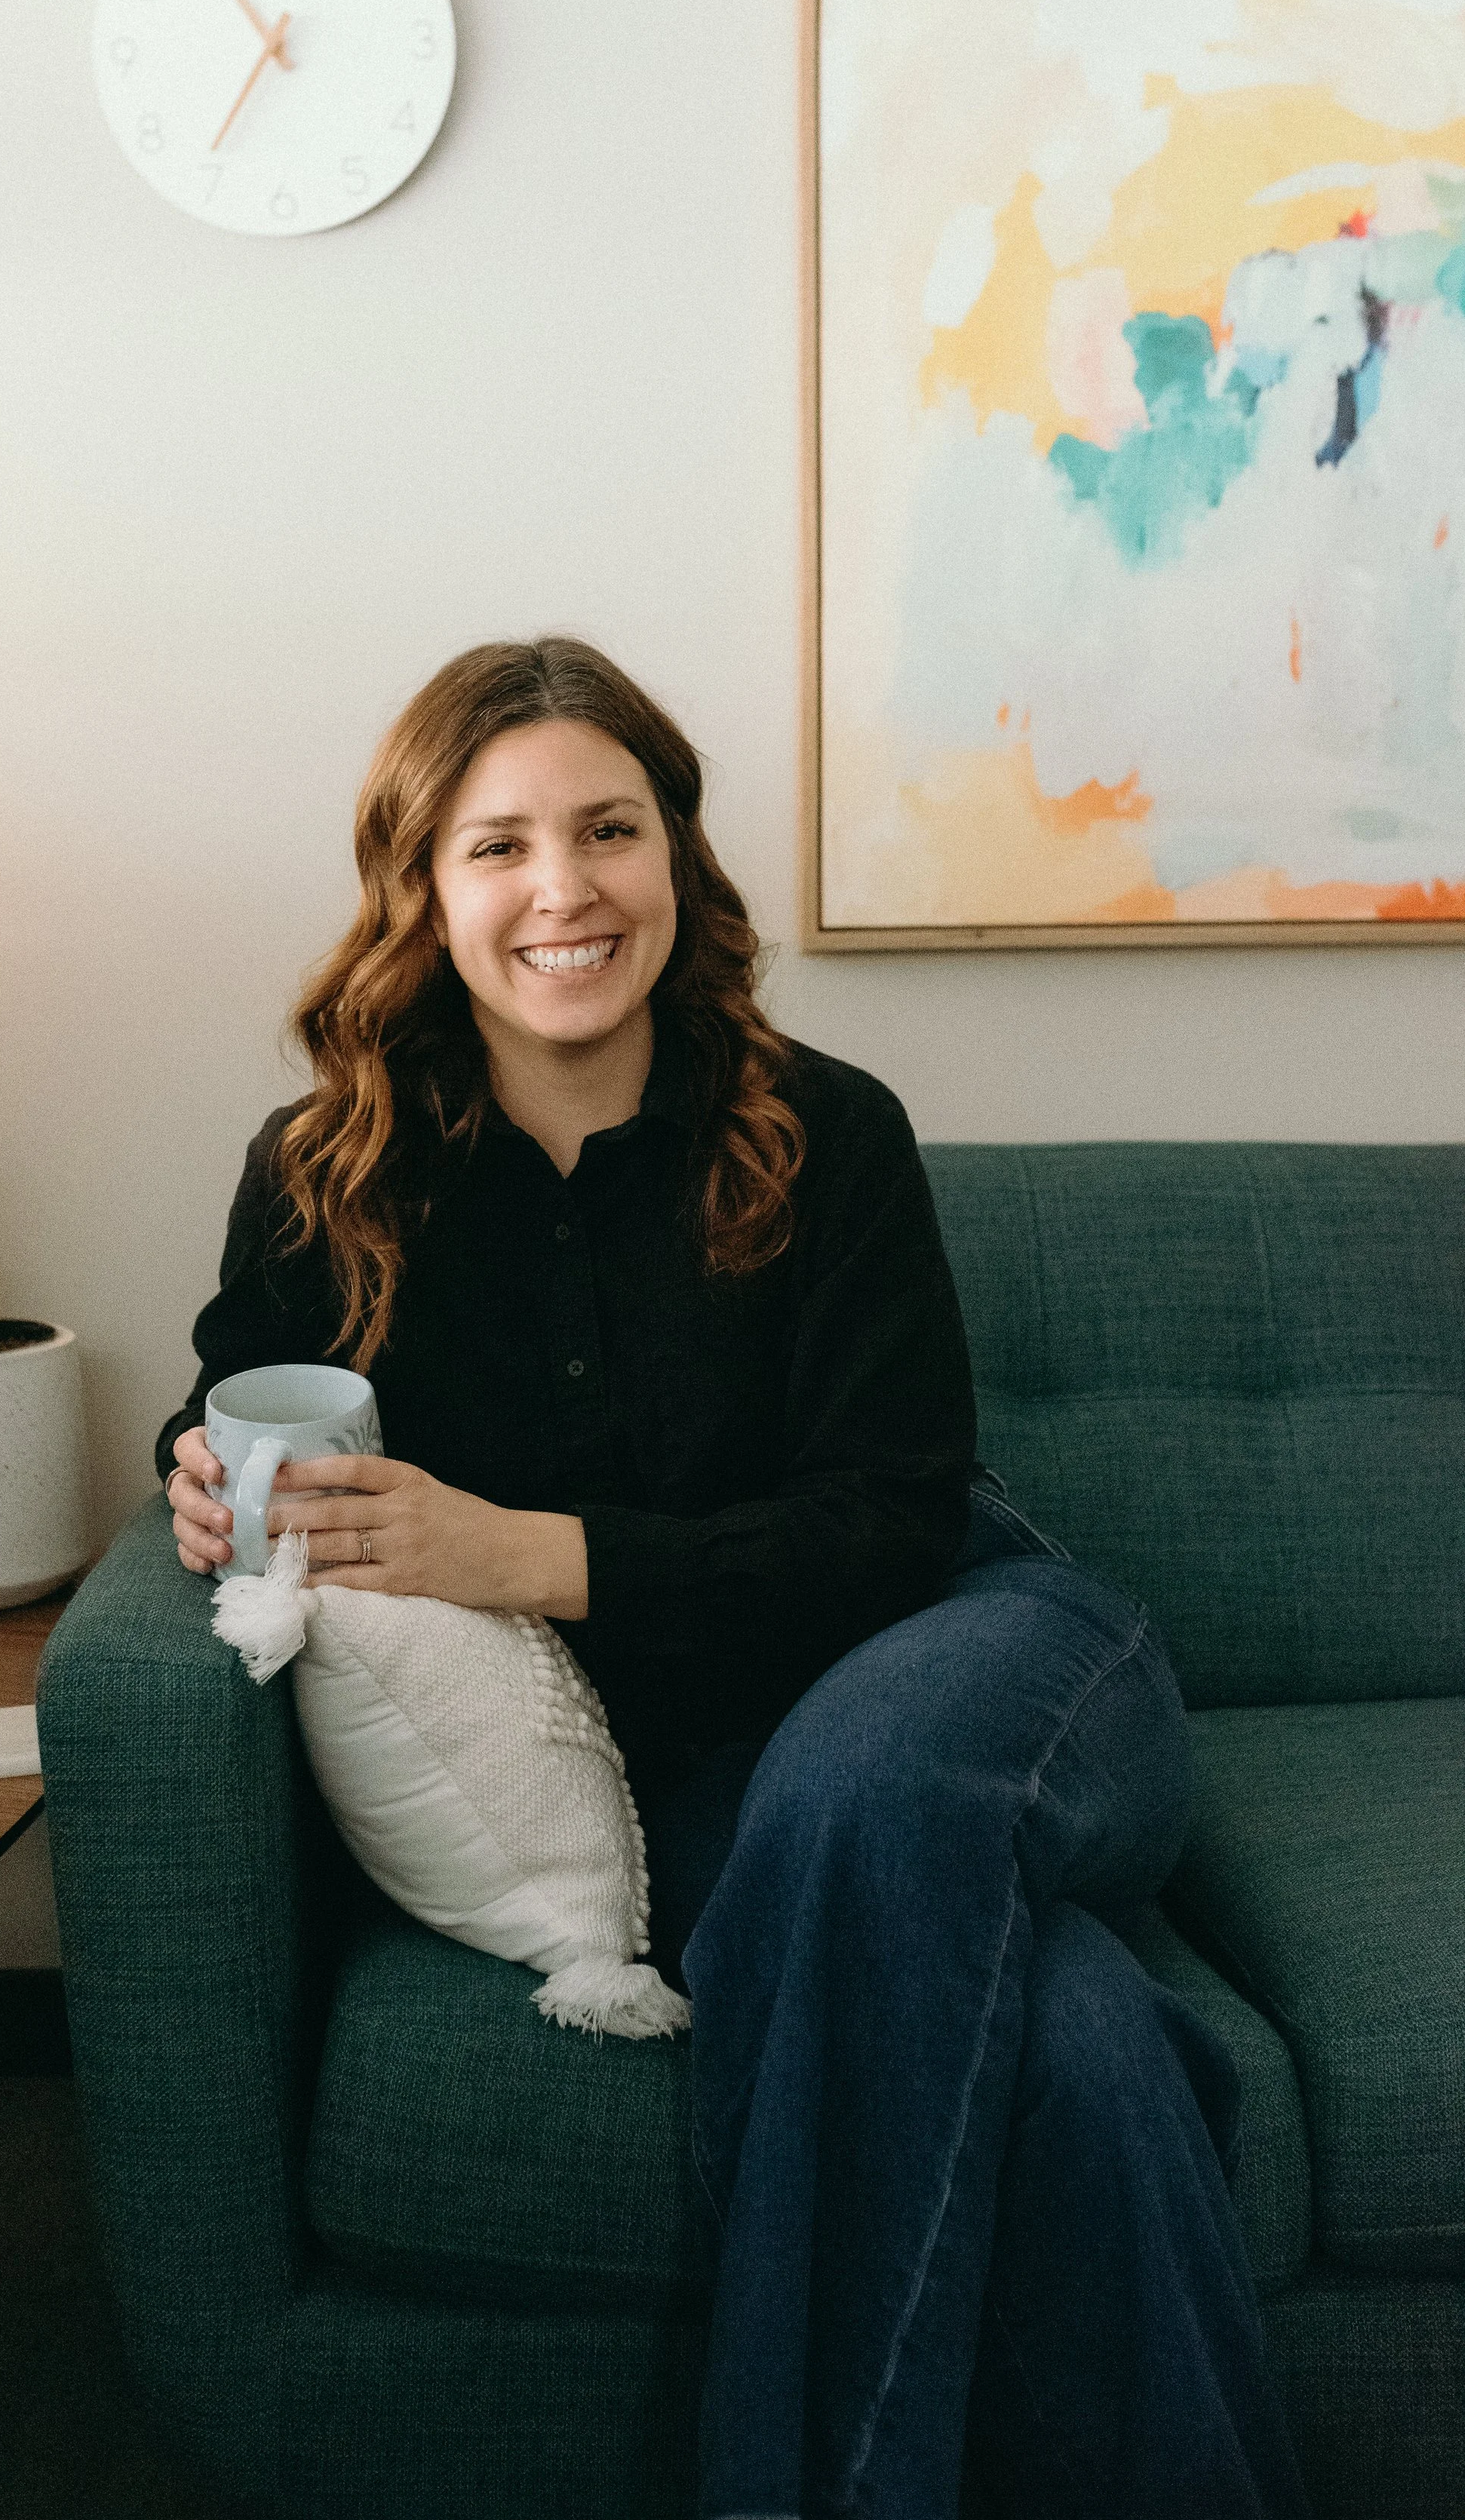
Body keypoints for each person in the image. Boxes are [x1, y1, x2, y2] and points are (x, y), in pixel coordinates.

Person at [157, 637, 1308, 2520]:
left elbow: (888, 1516)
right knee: (1086, 2059)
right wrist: (205, 1485)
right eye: (497, 845)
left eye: (607, 829)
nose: (561, 890)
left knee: (865, 1783)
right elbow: (233, 1401)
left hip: (981, 1653)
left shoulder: (821, 1129)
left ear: (672, 859)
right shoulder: (325, 1172)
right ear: (419, 889)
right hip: (699, 1780)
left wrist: (517, 1552)